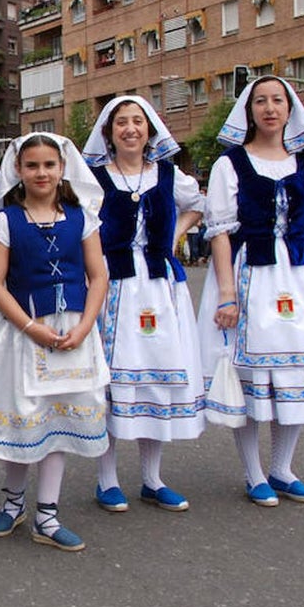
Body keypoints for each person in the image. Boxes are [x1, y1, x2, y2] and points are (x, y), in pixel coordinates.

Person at [197, 76, 304, 507]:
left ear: (289, 108)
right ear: (249, 111)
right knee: (251, 378)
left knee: (295, 374)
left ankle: (282, 468)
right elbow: (220, 233)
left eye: (277, 100)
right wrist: (227, 293)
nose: (269, 108)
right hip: (251, 274)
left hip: (299, 278)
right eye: (260, 101)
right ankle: (254, 472)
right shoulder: (232, 164)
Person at [0, 133, 108, 551]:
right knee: (24, 419)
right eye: (32, 166)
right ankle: (14, 503)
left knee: (58, 423)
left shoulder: (81, 217)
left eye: (49, 165)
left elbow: (99, 275)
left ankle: (47, 514)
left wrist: (84, 327)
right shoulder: (5, 221)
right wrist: (32, 327)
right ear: (18, 170)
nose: (42, 173)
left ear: (62, 168)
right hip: (21, 332)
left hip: (72, 331)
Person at [81, 96, 205, 513]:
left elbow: (199, 206)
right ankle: (107, 479)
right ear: (108, 132)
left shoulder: (169, 175)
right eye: (121, 123)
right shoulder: (93, 179)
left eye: (138, 121)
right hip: (112, 286)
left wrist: (175, 236)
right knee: (111, 381)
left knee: (156, 377)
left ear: (150, 130)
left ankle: (152, 478)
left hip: (159, 286)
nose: (130, 129)